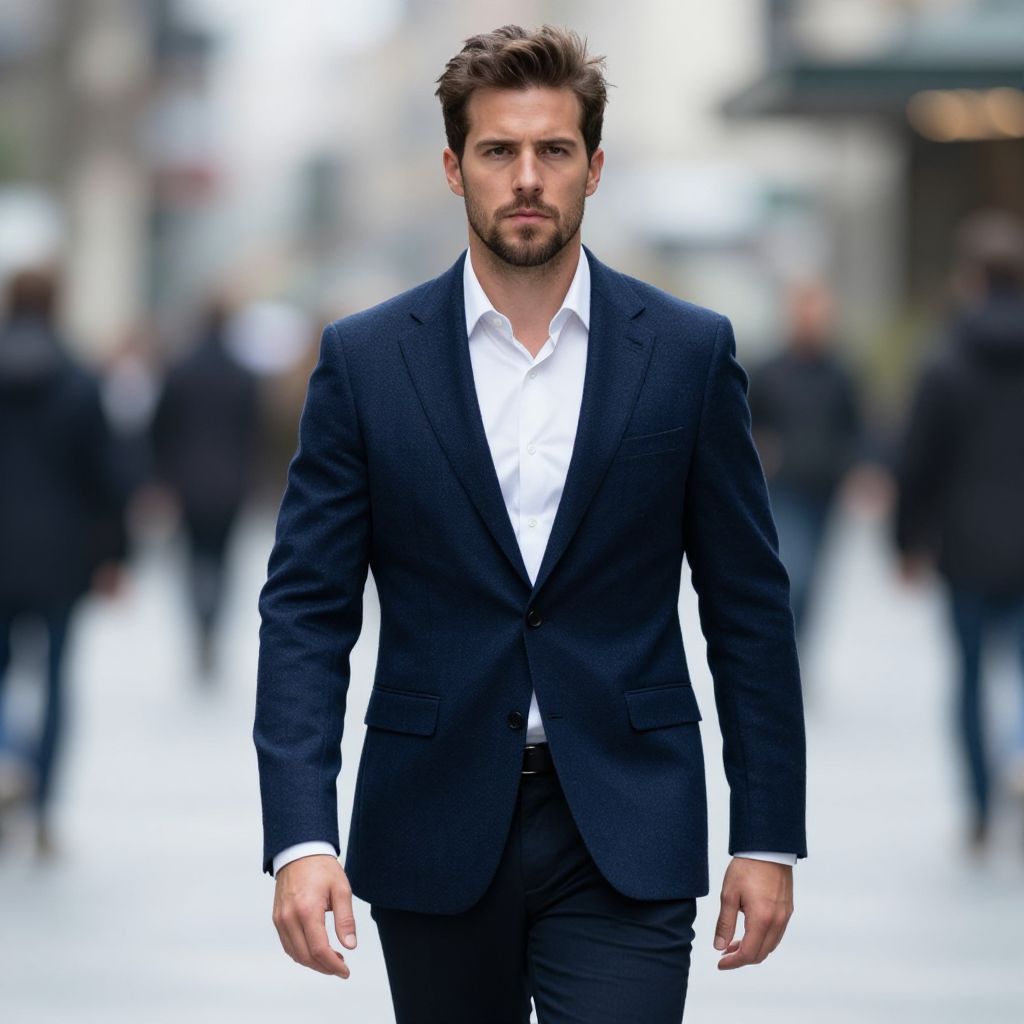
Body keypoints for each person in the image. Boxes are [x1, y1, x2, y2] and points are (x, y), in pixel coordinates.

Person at [254, 25, 807, 1023]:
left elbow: (749, 606)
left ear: (593, 167)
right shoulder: (366, 361)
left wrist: (766, 834)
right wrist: (301, 837)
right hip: (431, 814)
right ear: (452, 166)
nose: (525, 177)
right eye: (497, 151)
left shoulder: (684, 353)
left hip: (627, 817)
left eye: (552, 150)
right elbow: (305, 612)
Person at [896, 209, 1024, 852]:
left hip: (967, 547)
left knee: (971, 678)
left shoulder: (945, 361)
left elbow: (918, 458)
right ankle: (1021, 752)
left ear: (971, 278)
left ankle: (979, 807)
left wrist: (905, 540)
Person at [0, 267, 126, 858]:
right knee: (53, 680)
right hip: (60, 556)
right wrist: (114, 554)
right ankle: (45, 806)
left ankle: (6, 770)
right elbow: (105, 475)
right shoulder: (78, 379)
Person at [151, 299, 260, 677]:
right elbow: (254, 431)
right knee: (222, 560)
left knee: (193, 559)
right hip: (230, 482)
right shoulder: (242, 373)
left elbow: (160, 428)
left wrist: (162, 478)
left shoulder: (180, 370)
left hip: (188, 483)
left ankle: (200, 624)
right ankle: (212, 626)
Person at [749, 280, 862, 641]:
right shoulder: (769, 370)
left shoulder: (841, 372)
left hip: (826, 490)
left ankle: (797, 651)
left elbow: (857, 427)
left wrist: (860, 469)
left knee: (813, 578)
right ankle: (782, 645)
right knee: (793, 570)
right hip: (783, 489)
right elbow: (744, 421)